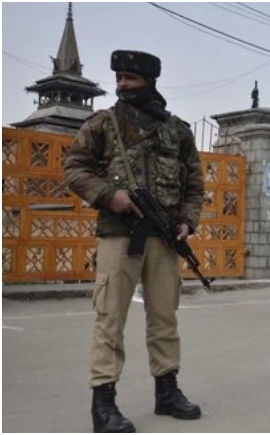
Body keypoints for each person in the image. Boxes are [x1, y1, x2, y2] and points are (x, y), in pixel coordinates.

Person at [62, 49, 204, 433]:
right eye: (119, 78)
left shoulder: (177, 130)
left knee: (164, 316)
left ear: (149, 81)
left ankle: (167, 390)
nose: (122, 84)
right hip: (118, 234)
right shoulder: (104, 123)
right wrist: (111, 196)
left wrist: (187, 221)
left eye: (131, 78)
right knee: (110, 318)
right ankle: (104, 404)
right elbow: (74, 168)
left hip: (164, 237)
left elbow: (194, 185)